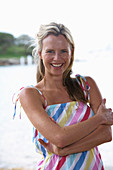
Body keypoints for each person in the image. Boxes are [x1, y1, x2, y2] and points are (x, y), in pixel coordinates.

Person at [17, 22, 113, 170]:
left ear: (71, 52)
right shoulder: (31, 94)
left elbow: (106, 134)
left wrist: (64, 151)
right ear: (41, 54)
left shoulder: (86, 85)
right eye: (50, 51)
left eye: (63, 51)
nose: (57, 58)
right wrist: (99, 118)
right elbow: (59, 138)